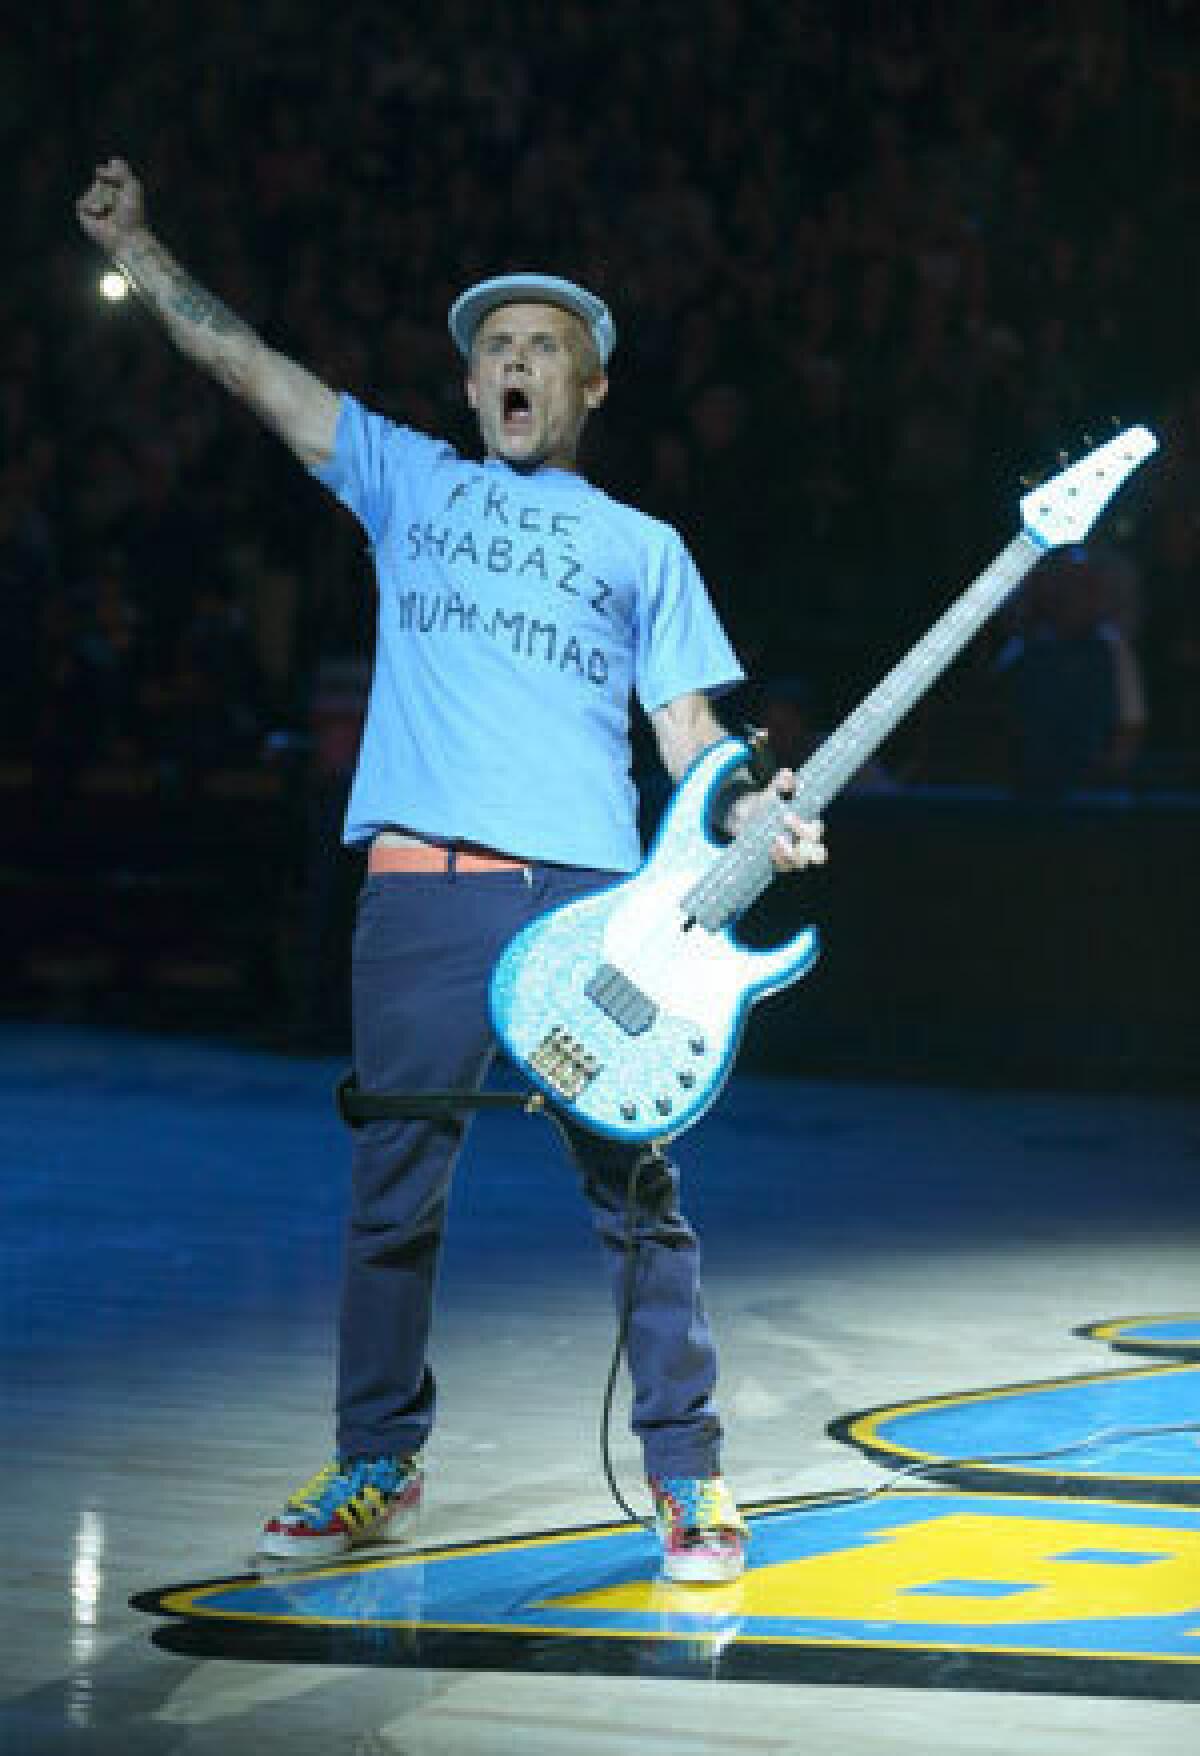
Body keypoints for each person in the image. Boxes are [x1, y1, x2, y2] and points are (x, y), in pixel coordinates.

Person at [77, 157, 827, 1584]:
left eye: (546, 348)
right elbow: (248, 368)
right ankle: (377, 1463)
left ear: (591, 388)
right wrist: (143, 245)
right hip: (420, 896)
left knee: (635, 1193)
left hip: (595, 908)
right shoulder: (405, 481)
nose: (516, 365)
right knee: (392, 1194)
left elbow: (689, 737)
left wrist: (747, 823)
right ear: (471, 390)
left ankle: (689, 1475)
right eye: (495, 350)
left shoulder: (643, 547)